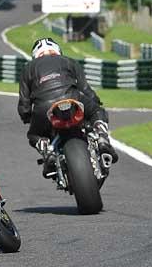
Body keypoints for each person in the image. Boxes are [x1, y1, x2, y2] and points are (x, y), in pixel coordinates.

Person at [17, 38, 119, 173]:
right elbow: (86, 90)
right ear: (58, 50)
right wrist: (95, 103)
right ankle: (101, 136)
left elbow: (24, 106)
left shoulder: (27, 69)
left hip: (44, 108)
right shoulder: (69, 61)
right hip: (73, 98)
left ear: (35, 55)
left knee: (33, 135)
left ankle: (47, 151)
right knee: (96, 111)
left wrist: (28, 117)